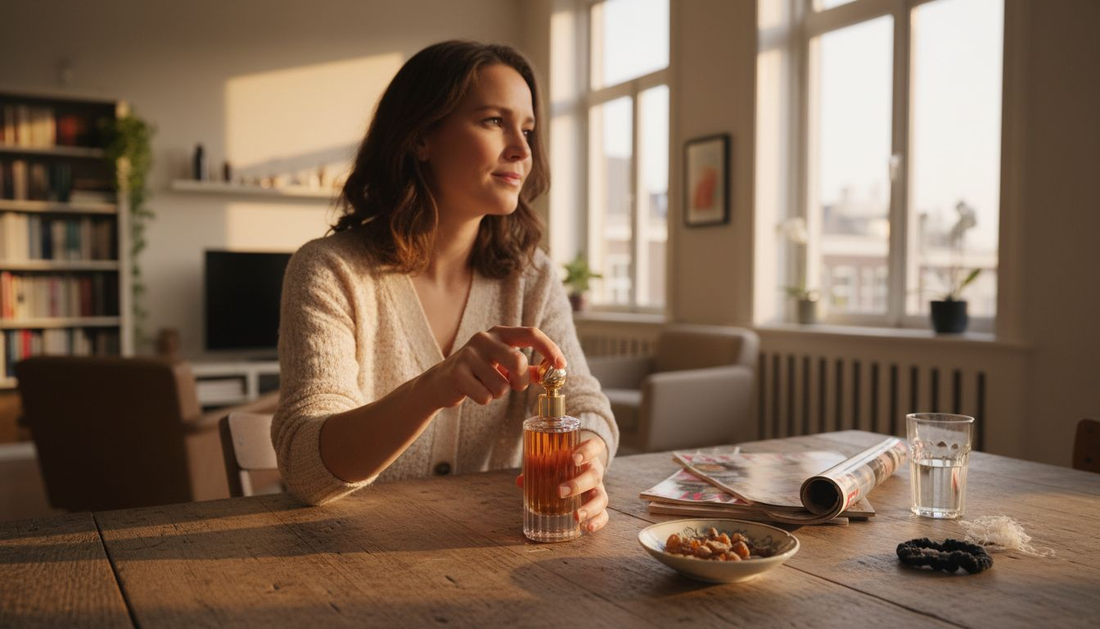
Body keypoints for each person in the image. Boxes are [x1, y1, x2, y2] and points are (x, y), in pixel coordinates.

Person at [272, 40, 619, 535]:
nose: (522, 150)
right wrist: (433, 388)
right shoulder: (330, 272)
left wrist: (589, 458)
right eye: (493, 121)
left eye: (527, 129)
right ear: (420, 138)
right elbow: (305, 469)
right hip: (344, 555)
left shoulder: (531, 277)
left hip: (485, 551)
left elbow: (585, 403)